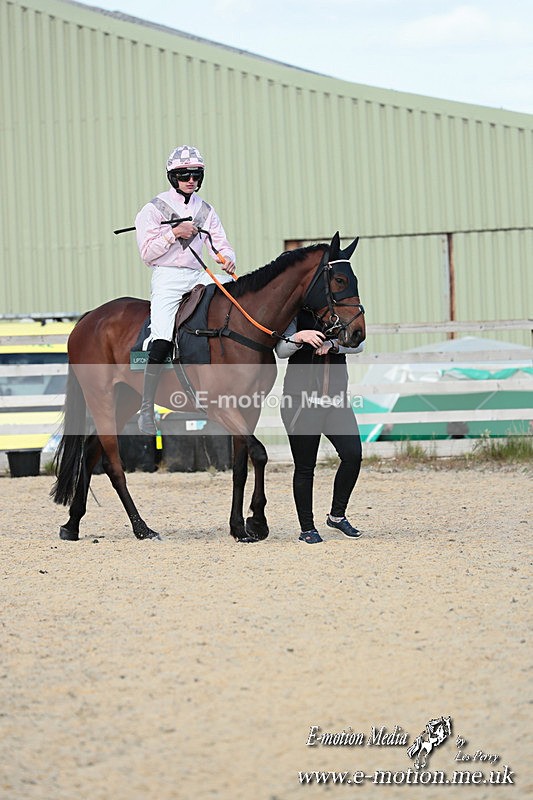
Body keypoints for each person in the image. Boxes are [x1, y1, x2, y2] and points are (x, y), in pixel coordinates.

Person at [135, 145, 236, 435]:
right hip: (167, 277)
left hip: (197, 275)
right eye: (184, 175)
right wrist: (173, 233)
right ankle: (146, 408)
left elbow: (221, 242)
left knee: (236, 295)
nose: (190, 179)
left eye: (195, 174)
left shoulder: (206, 209)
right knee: (164, 335)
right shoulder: (153, 209)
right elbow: (147, 254)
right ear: (173, 177)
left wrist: (228, 258)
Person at [276, 308, 364, 544]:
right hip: (301, 403)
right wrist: (299, 337)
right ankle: (307, 529)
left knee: (352, 454)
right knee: (305, 467)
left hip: (336, 401)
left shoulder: (340, 311)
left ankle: (337, 516)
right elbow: (281, 350)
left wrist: (335, 345)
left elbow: (359, 344)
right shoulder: (296, 312)